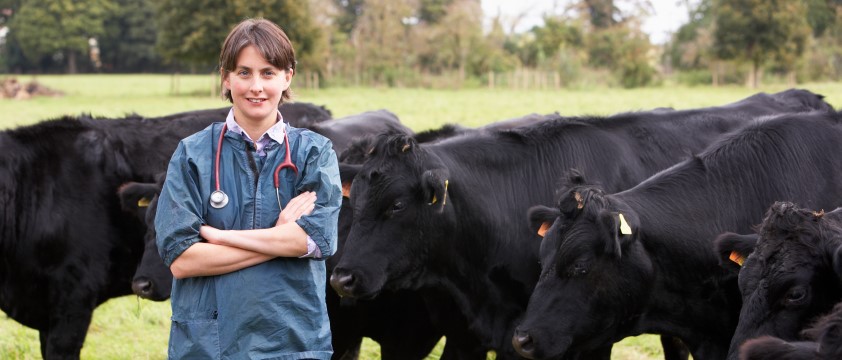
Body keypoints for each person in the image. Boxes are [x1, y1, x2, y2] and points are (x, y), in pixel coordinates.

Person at [155, 18, 341, 359]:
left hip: (293, 340)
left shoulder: (315, 153)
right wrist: (278, 238)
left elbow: (316, 240)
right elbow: (182, 260)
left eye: (268, 72)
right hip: (208, 344)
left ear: (288, 76)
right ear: (226, 78)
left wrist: (221, 237)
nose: (256, 86)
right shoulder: (192, 155)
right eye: (244, 72)